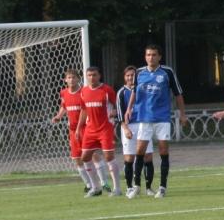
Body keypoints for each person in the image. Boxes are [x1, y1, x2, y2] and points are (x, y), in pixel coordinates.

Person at [124, 45, 187, 199]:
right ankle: (136, 186)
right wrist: (129, 109)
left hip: (162, 118)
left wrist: (182, 114)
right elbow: (134, 92)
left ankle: (162, 187)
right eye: (148, 55)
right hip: (144, 118)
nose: (151, 57)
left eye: (153, 55)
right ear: (145, 57)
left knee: (163, 151)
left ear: (159, 57)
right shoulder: (139, 73)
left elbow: (178, 94)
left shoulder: (167, 72)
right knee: (140, 151)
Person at [50, 69, 108, 193]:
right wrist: (58, 116)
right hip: (72, 131)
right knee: (77, 158)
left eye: (74, 77)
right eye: (69, 78)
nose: (71, 80)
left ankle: (104, 183)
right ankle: (89, 185)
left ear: (78, 79)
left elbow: (85, 109)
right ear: (65, 80)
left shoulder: (83, 92)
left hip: (86, 128)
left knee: (94, 155)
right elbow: (63, 106)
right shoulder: (64, 93)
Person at [75, 67, 121, 197]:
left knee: (108, 156)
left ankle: (117, 188)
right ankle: (95, 187)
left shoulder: (107, 90)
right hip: (90, 130)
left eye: (94, 75)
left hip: (105, 128)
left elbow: (118, 106)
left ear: (99, 76)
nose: (92, 77)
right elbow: (84, 110)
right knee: (85, 157)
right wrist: (78, 128)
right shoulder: (84, 91)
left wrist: (115, 112)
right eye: (89, 75)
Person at [116, 65, 155, 194]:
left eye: (133, 75)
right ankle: (129, 187)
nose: (130, 78)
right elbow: (120, 114)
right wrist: (125, 128)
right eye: (127, 75)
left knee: (147, 156)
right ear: (124, 77)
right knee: (129, 158)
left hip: (144, 125)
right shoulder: (121, 92)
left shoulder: (143, 89)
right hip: (129, 127)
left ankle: (148, 188)